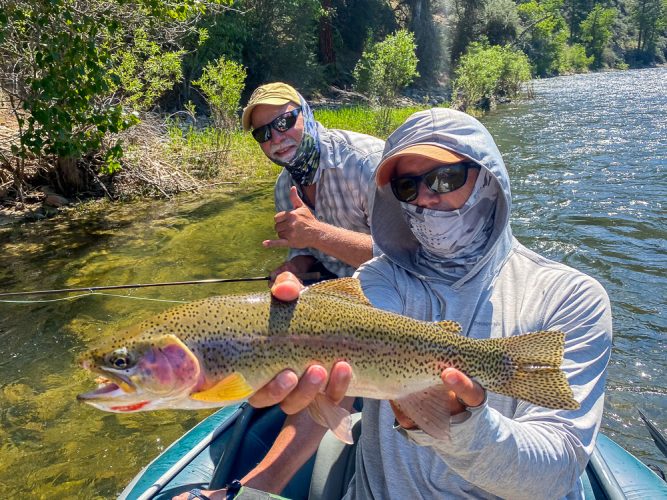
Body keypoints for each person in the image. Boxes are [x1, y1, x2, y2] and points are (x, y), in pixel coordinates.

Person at [177, 108, 612, 499]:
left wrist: (461, 424)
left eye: (445, 179)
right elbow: (333, 384)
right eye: (407, 186)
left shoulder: (570, 297)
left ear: (488, 179)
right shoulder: (381, 280)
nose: (424, 197)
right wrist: (245, 493)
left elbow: (555, 475)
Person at [242, 82, 385, 280]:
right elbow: (306, 249)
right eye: (262, 133)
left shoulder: (366, 164)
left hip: (392, 287)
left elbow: (405, 259)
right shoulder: (284, 188)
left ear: (306, 113)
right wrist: (296, 267)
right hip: (338, 283)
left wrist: (316, 233)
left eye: (283, 122)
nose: (275, 138)